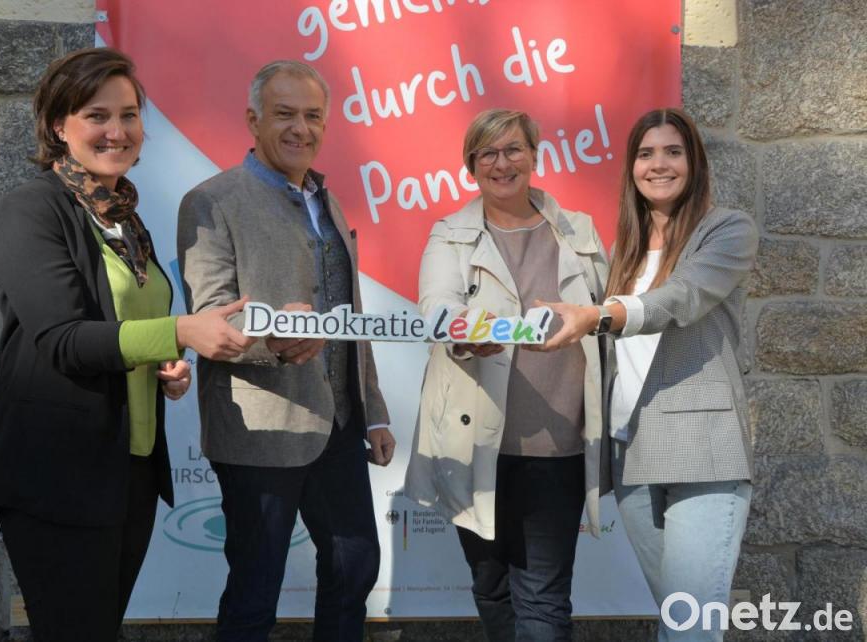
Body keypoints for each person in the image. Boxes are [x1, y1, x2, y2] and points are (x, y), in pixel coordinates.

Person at [0, 47, 253, 642]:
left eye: (128, 115)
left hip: (130, 471)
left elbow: (125, 328)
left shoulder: (124, 218)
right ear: (58, 125)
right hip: (57, 472)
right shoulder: (30, 210)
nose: (117, 131)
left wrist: (167, 363)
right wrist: (181, 331)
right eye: (97, 115)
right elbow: (64, 339)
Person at [176, 60, 395, 642]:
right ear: (253, 120)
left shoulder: (328, 200)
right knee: (255, 592)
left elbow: (349, 315)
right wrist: (273, 338)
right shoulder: (211, 201)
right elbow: (212, 314)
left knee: (355, 568)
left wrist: (373, 411)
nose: (301, 128)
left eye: (313, 116)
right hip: (260, 432)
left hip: (339, 426)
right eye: (285, 114)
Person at [536, 107, 758, 640]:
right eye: (645, 153)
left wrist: (599, 315)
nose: (659, 164)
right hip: (630, 450)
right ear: (631, 167)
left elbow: (682, 298)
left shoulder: (726, 230)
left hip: (702, 449)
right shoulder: (624, 252)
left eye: (673, 152)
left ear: (694, 162)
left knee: (689, 627)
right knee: (680, 621)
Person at [404, 109, 610, 641]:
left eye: (514, 149)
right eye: (487, 153)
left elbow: (606, 317)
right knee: (492, 588)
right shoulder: (450, 234)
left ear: (534, 155)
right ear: (471, 164)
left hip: (558, 446)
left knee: (542, 597)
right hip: (475, 446)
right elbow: (437, 306)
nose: (502, 163)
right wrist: (463, 331)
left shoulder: (579, 231)